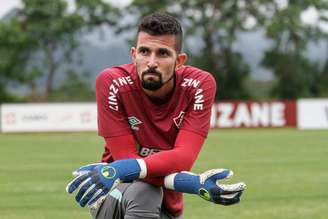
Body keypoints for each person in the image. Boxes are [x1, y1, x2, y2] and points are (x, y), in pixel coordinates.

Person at [66, 12, 246, 219]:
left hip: (168, 207)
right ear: (134, 55)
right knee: (145, 190)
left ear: (179, 61)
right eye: (144, 52)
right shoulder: (112, 82)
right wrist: (193, 184)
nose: (151, 62)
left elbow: (183, 157)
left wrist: (125, 168)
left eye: (162, 53)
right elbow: (127, 163)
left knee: (149, 191)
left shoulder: (199, 84)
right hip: (116, 194)